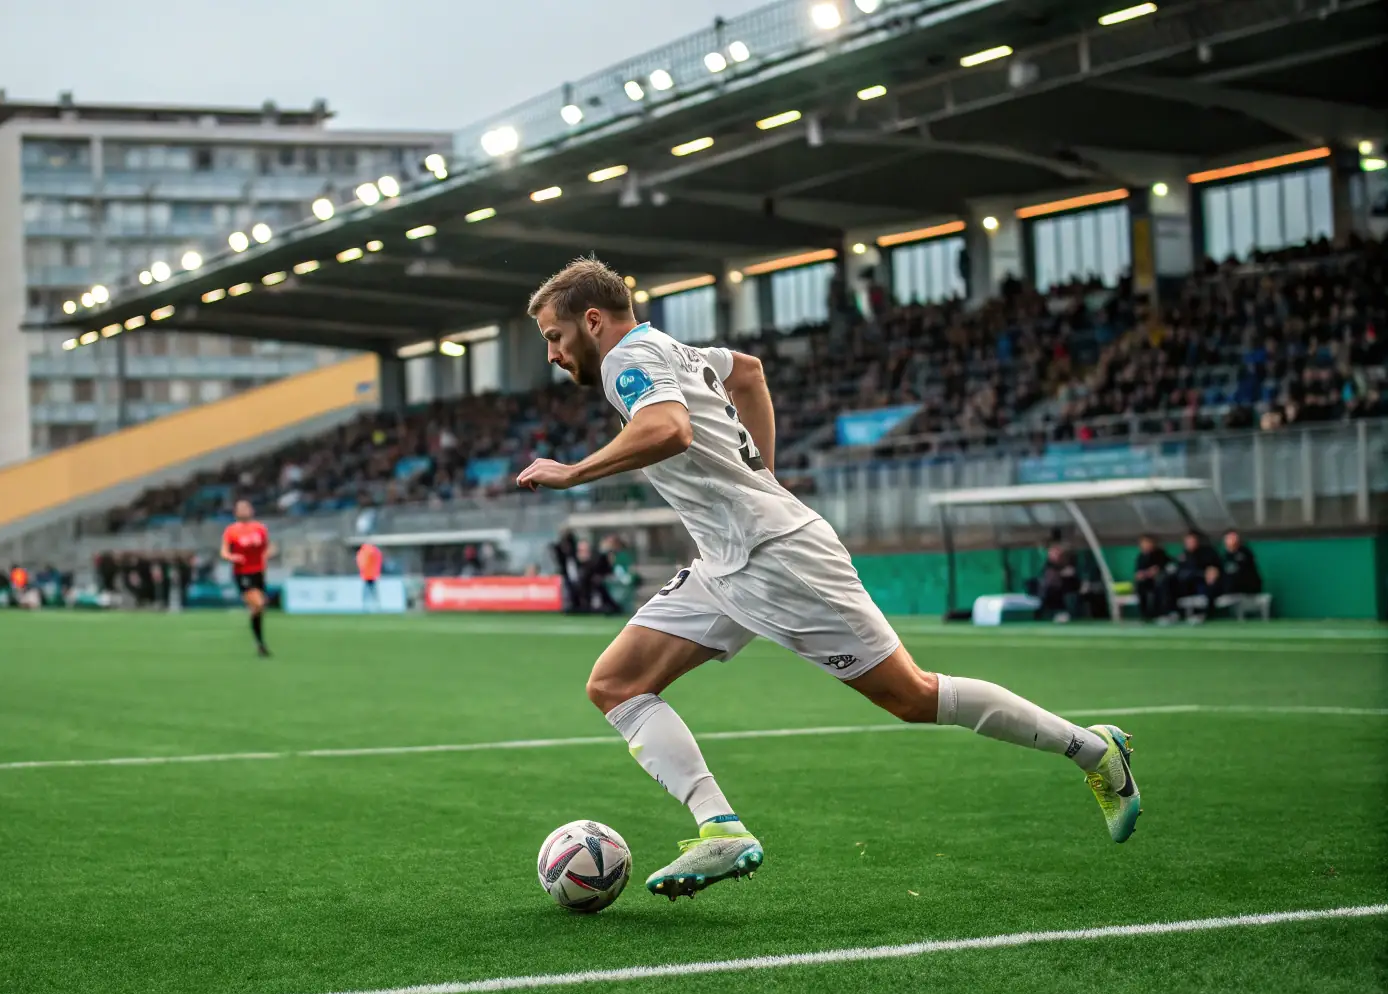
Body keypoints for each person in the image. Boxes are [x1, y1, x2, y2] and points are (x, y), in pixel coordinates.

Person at [514, 258, 1139, 902]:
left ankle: (1094, 751)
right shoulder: (673, 349)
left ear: (594, 320)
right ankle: (720, 828)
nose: (554, 354)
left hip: (780, 559)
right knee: (616, 684)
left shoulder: (626, 360)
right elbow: (749, 372)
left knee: (913, 696)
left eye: (555, 337)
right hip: (727, 560)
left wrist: (573, 472)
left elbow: (669, 429)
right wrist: (764, 477)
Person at [220, 499, 273, 657]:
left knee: (259, 609)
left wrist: (267, 555)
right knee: (259, 603)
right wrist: (232, 557)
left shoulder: (260, 528)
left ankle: (259, 642)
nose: (244, 510)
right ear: (235, 512)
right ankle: (259, 640)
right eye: (240, 508)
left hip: (259, 572)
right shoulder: (231, 531)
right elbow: (224, 552)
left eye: (246, 508)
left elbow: (268, 547)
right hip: (242, 572)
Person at [1132, 535, 1176, 622]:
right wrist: (1144, 574)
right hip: (1148, 581)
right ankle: (1145, 615)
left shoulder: (1160, 554)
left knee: (1161, 583)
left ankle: (1162, 613)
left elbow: (1165, 568)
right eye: (1143, 544)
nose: (1145, 546)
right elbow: (1138, 573)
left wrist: (1153, 572)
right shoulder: (1141, 557)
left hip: (1163, 582)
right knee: (1140, 585)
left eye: (1147, 543)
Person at [1221, 529, 1263, 595]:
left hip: (1247, 592)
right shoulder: (1224, 557)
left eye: (1234, 538)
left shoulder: (1245, 553)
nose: (1232, 540)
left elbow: (1247, 576)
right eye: (1229, 538)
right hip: (1230, 593)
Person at [356, 542, 384, 610]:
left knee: (367, 592)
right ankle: (376, 606)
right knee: (373, 592)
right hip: (373, 575)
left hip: (366, 575)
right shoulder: (375, 551)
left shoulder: (363, 552)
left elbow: (361, 563)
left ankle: (366, 606)